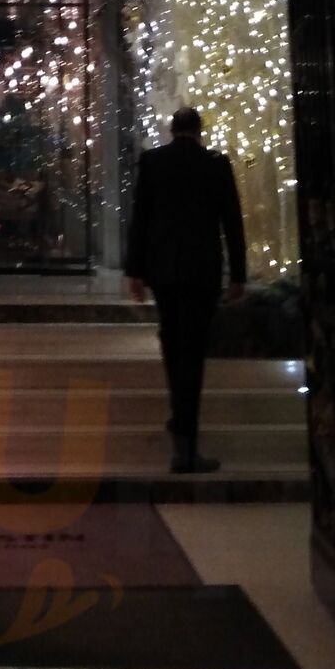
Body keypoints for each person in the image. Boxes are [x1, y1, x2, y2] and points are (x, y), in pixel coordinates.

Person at [124, 105, 247, 474]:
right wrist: (238, 275)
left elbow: (140, 218)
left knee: (172, 341)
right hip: (201, 271)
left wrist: (135, 271)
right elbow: (231, 221)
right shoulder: (215, 164)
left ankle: (180, 418)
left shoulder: (153, 162)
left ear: (171, 129)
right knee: (193, 352)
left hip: (163, 269)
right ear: (199, 130)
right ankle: (186, 447)